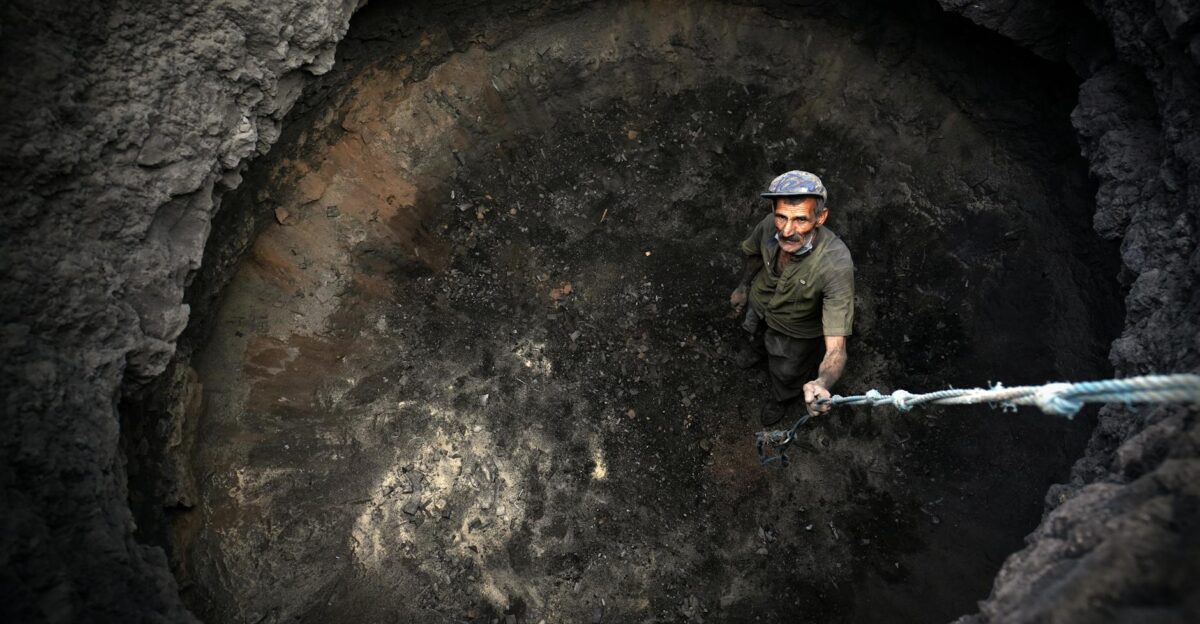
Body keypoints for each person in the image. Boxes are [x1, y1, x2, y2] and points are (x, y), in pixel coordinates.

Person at [730, 170, 855, 426]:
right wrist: (743, 286)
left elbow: (836, 349)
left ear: (820, 217)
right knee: (753, 333)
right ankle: (756, 352)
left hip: (793, 333)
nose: (787, 230)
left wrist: (822, 382)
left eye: (800, 220)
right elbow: (754, 255)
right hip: (760, 302)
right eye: (781, 217)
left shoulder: (835, 264)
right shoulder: (768, 225)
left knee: (787, 372)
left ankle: (781, 398)